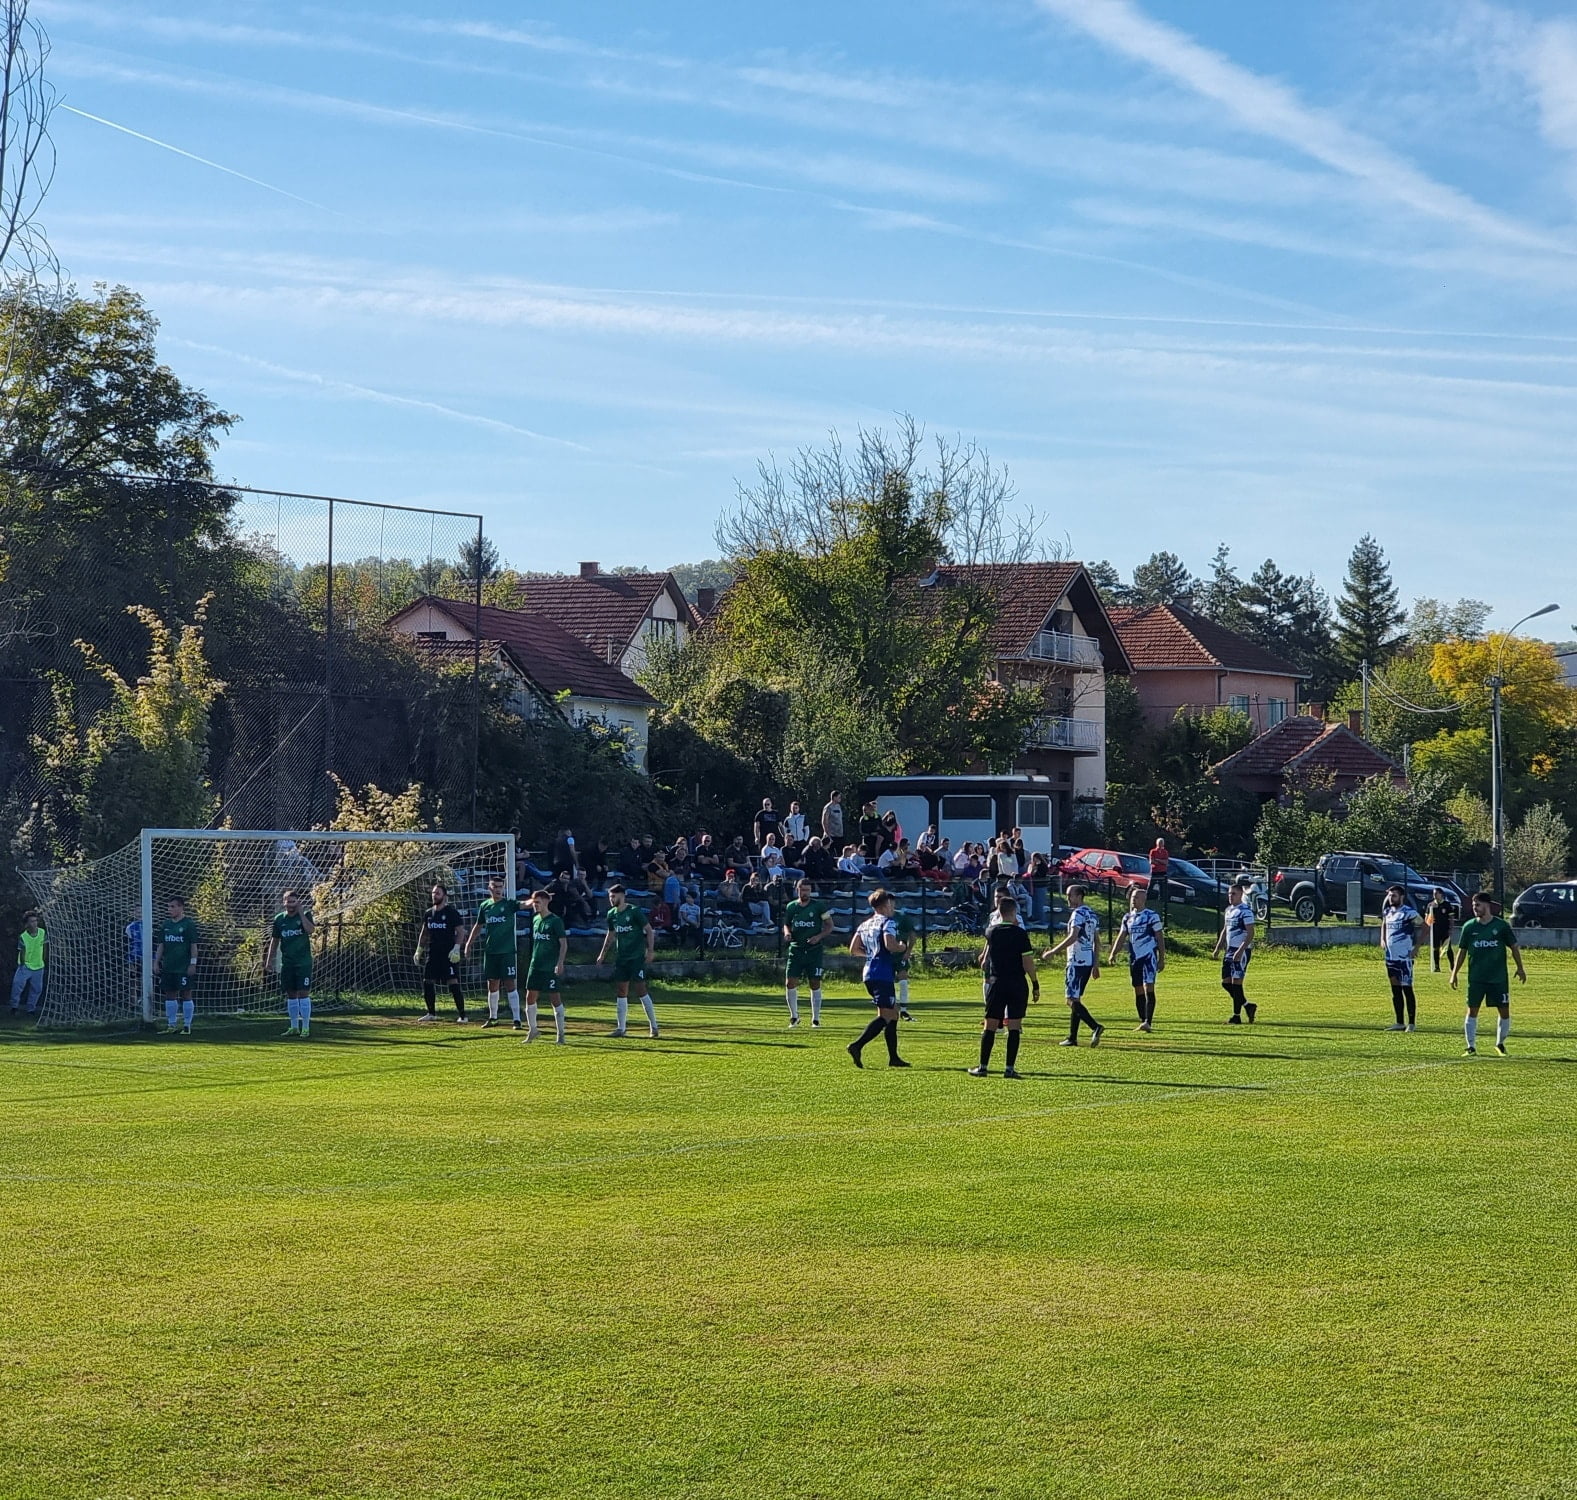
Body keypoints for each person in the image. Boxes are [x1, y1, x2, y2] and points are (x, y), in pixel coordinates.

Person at [969, 897, 1038, 1077]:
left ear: (999, 913)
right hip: (1016, 983)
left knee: (990, 1024)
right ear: (1015, 913)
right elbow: (1027, 962)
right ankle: (1009, 1068)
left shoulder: (991, 932)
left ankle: (983, 1067)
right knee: (1014, 1025)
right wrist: (1035, 983)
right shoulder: (1021, 934)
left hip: (997, 982)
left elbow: (987, 957)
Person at [1451, 892, 1526, 1056]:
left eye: (1477, 905)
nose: (1475, 908)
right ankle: (1470, 1047)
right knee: (1472, 1011)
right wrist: (1454, 973)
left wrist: (1520, 968)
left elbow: (1514, 947)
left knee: (1504, 1011)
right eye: (1473, 905)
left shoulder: (1501, 926)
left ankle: (1500, 1044)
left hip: (1498, 978)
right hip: (1476, 978)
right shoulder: (1469, 927)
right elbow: (1462, 952)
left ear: (1487, 905)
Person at [846, 888, 909, 1069]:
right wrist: (901, 947)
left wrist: (870, 955)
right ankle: (857, 1045)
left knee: (893, 1013)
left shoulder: (865, 924)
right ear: (886, 904)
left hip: (869, 972)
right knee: (886, 1016)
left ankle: (894, 1057)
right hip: (882, 973)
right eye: (892, 903)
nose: (893, 907)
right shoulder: (887, 922)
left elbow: (853, 949)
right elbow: (890, 945)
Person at [1042, 884, 1104, 1046]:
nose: (1068, 898)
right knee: (1076, 998)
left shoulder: (1077, 914)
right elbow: (1097, 942)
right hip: (1088, 961)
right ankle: (1072, 1037)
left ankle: (1095, 1026)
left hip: (1076, 961)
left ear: (1079, 896)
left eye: (1070, 895)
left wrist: (1053, 952)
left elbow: (1073, 936)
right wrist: (1096, 964)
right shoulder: (1091, 914)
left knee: (1070, 1000)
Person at [597, 884, 658, 1038]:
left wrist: (650, 951)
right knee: (621, 990)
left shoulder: (634, 911)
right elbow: (610, 935)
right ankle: (621, 1028)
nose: (611, 899)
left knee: (640, 990)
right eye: (610, 897)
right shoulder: (612, 914)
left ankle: (654, 1026)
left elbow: (649, 930)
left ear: (622, 896)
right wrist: (602, 954)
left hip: (636, 957)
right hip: (621, 958)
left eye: (613, 896)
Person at [466, 874, 524, 1030]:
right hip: (491, 951)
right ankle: (493, 1017)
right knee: (492, 984)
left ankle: (517, 1019)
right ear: (489, 888)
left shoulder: (509, 904)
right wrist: (468, 944)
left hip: (507, 951)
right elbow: (478, 926)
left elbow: (525, 904)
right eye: (495, 887)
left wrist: (536, 899)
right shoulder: (485, 906)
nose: (498, 889)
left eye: (500, 886)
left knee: (510, 983)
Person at [1109, 886, 1165, 1031]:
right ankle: (1142, 1020)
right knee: (1138, 989)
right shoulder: (1127, 917)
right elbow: (1122, 936)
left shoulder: (1152, 916)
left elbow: (1159, 937)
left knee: (1148, 987)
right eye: (1132, 897)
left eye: (1137, 897)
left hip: (1149, 957)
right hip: (1135, 958)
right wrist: (1113, 953)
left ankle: (1148, 1021)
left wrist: (1161, 958)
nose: (1133, 900)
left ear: (1144, 899)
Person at [263, 889, 315, 1038]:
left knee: (303, 994)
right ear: (283, 902)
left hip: (303, 963)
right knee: (291, 994)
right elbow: (275, 940)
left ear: (298, 902)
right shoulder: (279, 919)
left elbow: (311, 930)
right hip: (287, 963)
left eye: (293, 901)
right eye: (288, 901)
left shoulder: (305, 915)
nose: (290, 904)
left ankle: (305, 1027)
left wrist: (301, 913)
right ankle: (293, 1026)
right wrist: (269, 960)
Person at [781, 877, 832, 1028]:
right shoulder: (791, 907)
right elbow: (787, 924)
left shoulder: (819, 907)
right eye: (803, 890)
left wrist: (819, 936)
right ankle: (794, 1017)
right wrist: (787, 933)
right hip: (796, 950)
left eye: (808, 890)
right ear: (797, 890)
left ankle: (815, 1019)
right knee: (790, 982)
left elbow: (829, 925)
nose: (805, 893)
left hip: (813, 951)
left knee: (814, 982)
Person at [414, 883, 468, 1023]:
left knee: (452, 981)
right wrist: (419, 950)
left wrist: (457, 948)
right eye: (433, 893)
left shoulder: (451, 912)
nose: (434, 895)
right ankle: (431, 1013)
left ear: (444, 896)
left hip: (448, 954)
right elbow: (424, 933)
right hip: (433, 953)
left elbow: (461, 931)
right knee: (427, 981)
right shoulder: (429, 913)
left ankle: (463, 1015)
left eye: (437, 893)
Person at [523, 889, 568, 1044]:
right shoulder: (535, 920)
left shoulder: (555, 921)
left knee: (554, 998)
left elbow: (563, 944)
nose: (535, 905)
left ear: (546, 902)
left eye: (538, 902)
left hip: (550, 967)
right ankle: (533, 1030)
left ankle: (561, 1033)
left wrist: (560, 962)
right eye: (534, 903)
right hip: (535, 965)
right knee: (529, 998)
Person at [1213, 880, 1257, 1023]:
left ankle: (1236, 1016)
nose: (1230, 896)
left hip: (1241, 951)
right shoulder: (1228, 910)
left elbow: (1250, 933)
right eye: (1229, 893)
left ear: (1240, 894)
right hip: (1229, 950)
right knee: (1226, 983)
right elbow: (1225, 930)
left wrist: (1241, 950)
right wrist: (1218, 947)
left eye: (1234, 894)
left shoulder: (1245, 911)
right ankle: (1247, 1005)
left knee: (1236, 983)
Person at [155, 896, 200, 1035]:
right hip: (169, 966)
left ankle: (187, 1025)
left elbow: (193, 945)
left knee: (186, 993)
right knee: (170, 994)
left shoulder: (188, 924)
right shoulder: (166, 925)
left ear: (181, 907)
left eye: (173, 907)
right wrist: (156, 962)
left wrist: (193, 963)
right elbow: (161, 945)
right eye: (169, 907)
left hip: (183, 966)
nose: (170, 910)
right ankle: (171, 1024)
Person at [1380, 884, 1421, 1032]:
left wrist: (1416, 947)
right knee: (1395, 990)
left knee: (1407, 989)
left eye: (1394, 895)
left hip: (1404, 958)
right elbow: (1384, 924)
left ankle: (1411, 1023)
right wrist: (1382, 939)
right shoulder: (1387, 912)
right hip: (1391, 957)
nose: (1391, 898)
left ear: (1401, 897)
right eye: (1390, 895)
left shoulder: (1409, 913)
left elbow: (1426, 926)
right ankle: (1399, 1022)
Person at [10, 910, 47, 1018]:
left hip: (39, 966)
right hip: (25, 966)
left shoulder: (42, 932)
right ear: (27, 924)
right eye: (31, 921)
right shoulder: (23, 936)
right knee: (17, 986)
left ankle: (31, 1009)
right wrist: (22, 964)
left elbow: (45, 947)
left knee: (37, 989)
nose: (34, 923)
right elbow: (22, 952)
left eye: (35, 921)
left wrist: (43, 960)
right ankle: (14, 1007)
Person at [1426, 888, 1456, 974]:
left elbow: (1451, 918)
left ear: (1441, 894)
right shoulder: (1430, 905)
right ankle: (1437, 966)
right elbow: (1427, 918)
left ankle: (1452, 966)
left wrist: (1451, 928)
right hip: (1435, 930)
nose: (1434, 895)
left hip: (1445, 929)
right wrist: (1428, 925)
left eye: (1436, 893)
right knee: (1435, 948)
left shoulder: (1447, 905)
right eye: (1433, 894)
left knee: (1448, 948)